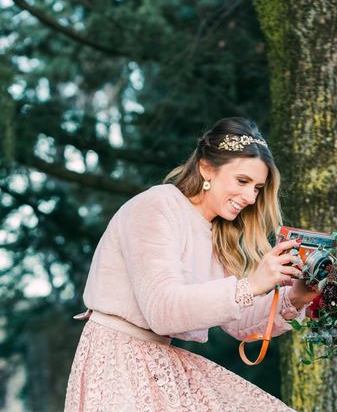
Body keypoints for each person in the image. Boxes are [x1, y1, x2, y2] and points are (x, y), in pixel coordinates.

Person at [65, 117, 316, 412]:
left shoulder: (217, 232)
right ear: (207, 168)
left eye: (258, 188)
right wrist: (253, 284)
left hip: (159, 360)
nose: (250, 197)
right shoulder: (157, 206)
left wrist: (295, 297)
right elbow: (163, 310)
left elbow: (239, 322)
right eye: (242, 181)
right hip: (117, 361)